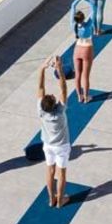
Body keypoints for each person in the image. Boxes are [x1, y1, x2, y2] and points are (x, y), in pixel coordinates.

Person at [38, 55, 71, 208]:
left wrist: (42, 69)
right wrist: (59, 69)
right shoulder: (60, 111)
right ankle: (61, 200)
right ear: (54, 104)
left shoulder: (41, 110)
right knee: (61, 173)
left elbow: (40, 88)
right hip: (62, 146)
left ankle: (51, 199)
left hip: (48, 145)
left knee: (49, 171)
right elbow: (64, 89)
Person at [70, 0, 96, 103]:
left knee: (78, 75)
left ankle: (79, 96)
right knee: (85, 75)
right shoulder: (88, 25)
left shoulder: (73, 24)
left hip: (77, 49)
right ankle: (86, 97)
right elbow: (94, 8)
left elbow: (72, 6)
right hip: (87, 49)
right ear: (83, 18)